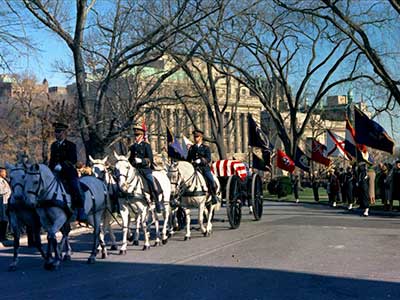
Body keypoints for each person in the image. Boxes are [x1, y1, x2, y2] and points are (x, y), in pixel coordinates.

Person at [49, 122, 86, 222]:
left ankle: (81, 210)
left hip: (68, 173)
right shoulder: (53, 145)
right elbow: (51, 160)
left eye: (58, 132)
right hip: (56, 173)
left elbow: (73, 160)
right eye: (55, 132)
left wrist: (62, 165)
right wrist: (50, 169)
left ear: (64, 133)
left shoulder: (70, 145)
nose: (56, 134)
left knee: (76, 188)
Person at [128, 122, 164, 213]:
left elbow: (150, 159)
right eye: (135, 135)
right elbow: (130, 159)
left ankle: (157, 203)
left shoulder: (146, 145)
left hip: (145, 170)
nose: (136, 137)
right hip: (135, 170)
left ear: (142, 135)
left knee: (152, 183)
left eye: (137, 135)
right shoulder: (132, 147)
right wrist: (132, 162)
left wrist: (142, 161)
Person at [186, 129, 218, 204]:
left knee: (211, 180)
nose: (195, 138)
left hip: (204, 168)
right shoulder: (192, 148)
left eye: (197, 137)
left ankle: (213, 196)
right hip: (194, 169)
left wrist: (201, 160)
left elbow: (208, 159)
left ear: (201, 137)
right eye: (194, 137)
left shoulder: (206, 148)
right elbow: (188, 159)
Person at [0, 167, 11, 241]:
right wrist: (8, 190)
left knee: (6, 219)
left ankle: (4, 235)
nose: (5, 174)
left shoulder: (5, 180)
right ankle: (2, 236)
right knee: (2, 219)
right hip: (1, 201)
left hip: (6, 201)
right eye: (4, 172)